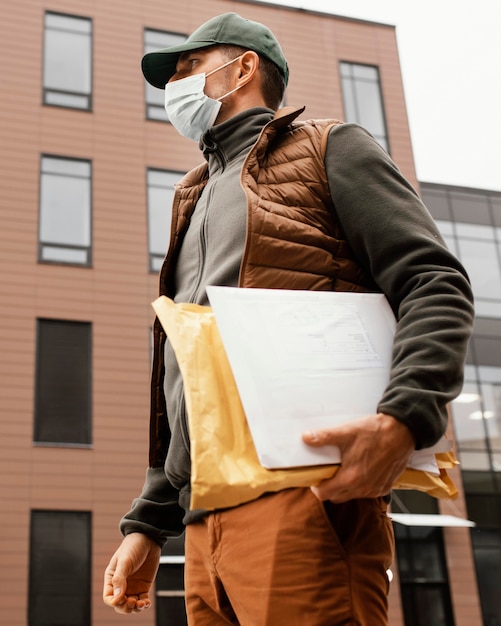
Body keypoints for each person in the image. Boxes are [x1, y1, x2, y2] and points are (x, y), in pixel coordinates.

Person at [103, 12, 474, 625]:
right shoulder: (192, 195)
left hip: (304, 496)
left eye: (190, 67)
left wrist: (405, 418)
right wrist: (150, 521)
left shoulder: (331, 146)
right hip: (204, 523)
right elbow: (191, 373)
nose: (176, 85)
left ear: (242, 68)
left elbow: (434, 282)